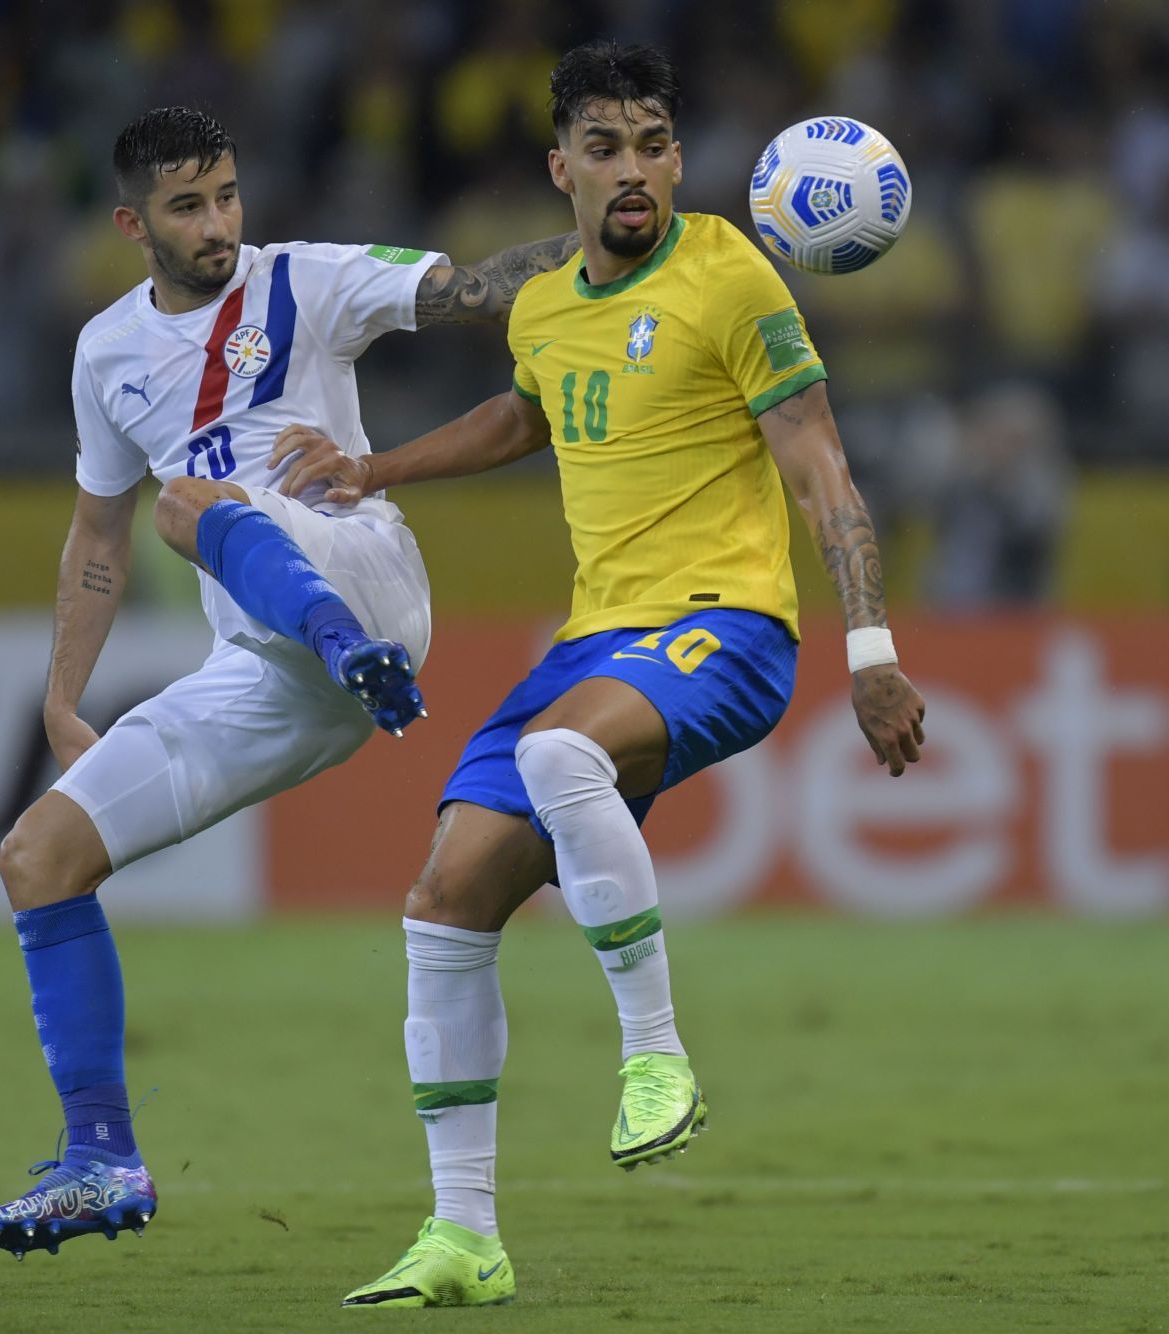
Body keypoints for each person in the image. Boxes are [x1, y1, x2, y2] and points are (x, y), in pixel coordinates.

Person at [273, 42, 926, 1307]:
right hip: (596, 637)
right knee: (446, 896)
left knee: (559, 754)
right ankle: (464, 1231)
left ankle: (656, 1055)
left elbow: (820, 468)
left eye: (654, 145)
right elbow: (532, 412)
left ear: (679, 158)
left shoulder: (732, 273)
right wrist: (379, 467)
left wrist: (874, 648)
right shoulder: (547, 304)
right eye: (607, 147)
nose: (635, 171)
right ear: (559, 166)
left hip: (725, 626)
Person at [0, 106, 580, 1261]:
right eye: (188, 207)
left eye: (228, 197)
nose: (217, 225)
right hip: (264, 662)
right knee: (38, 857)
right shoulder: (106, 352)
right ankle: (101, 1155)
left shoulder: (309, 279)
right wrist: (61, 696)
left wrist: (607, 237)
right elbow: (95, 537)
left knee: (192, 504)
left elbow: (470, 288)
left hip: (367, 582)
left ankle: (351, 649)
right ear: (130, 222)